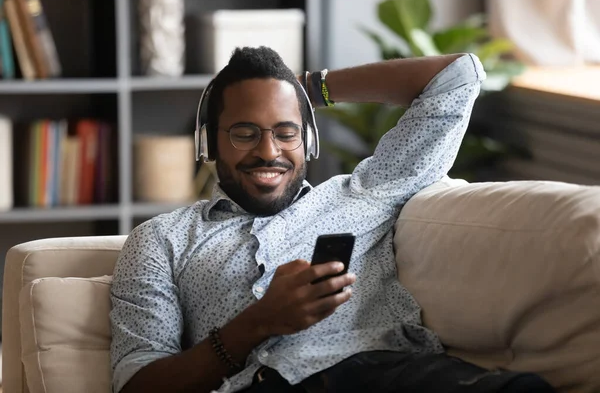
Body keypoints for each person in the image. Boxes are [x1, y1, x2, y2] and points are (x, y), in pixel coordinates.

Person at [109, 46, 556, 393]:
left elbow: (457, 76)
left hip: (394, 375)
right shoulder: (160, 241)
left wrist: (306, 88)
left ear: (308, 140)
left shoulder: (370, 190)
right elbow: (138, 384)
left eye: (286, 132)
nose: (269, 152)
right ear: (210, 143)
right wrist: (259, 322)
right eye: (244, 133)